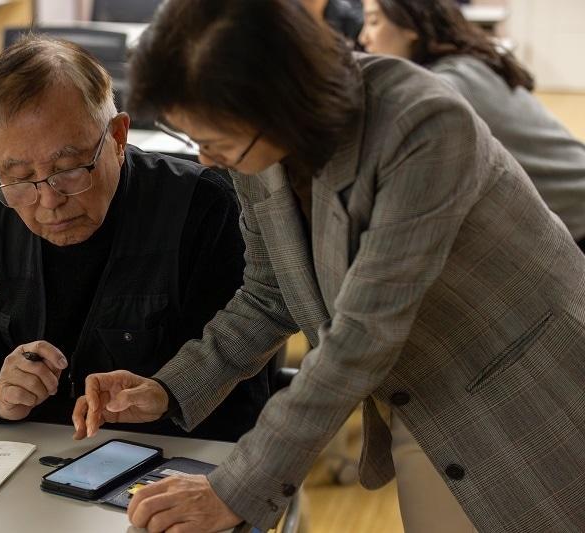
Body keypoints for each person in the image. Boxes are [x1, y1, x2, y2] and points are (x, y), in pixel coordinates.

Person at [71, 1, 585, 532]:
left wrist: (236, 488)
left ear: (280, 103)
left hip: (533, 391)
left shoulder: (424, 124)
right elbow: (270, 295)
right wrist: (170, 387)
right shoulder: (259, 147)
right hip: (421, 395)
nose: (204, 159)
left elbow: (361, 337)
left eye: (214, 141)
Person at [0, 36, 269, 442]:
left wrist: (166, 396)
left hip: (159, 465)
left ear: (118, 138)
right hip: (22, 460)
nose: (49, 200)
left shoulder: (202, 210)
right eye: (18, 178)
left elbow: (242, 398)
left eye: (70, 168)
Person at [358, 0, 585, 251]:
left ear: (410, 26)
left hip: (577, 216)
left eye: (373, 21)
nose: (363, 37)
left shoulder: (446, 87)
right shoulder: (465, 63)